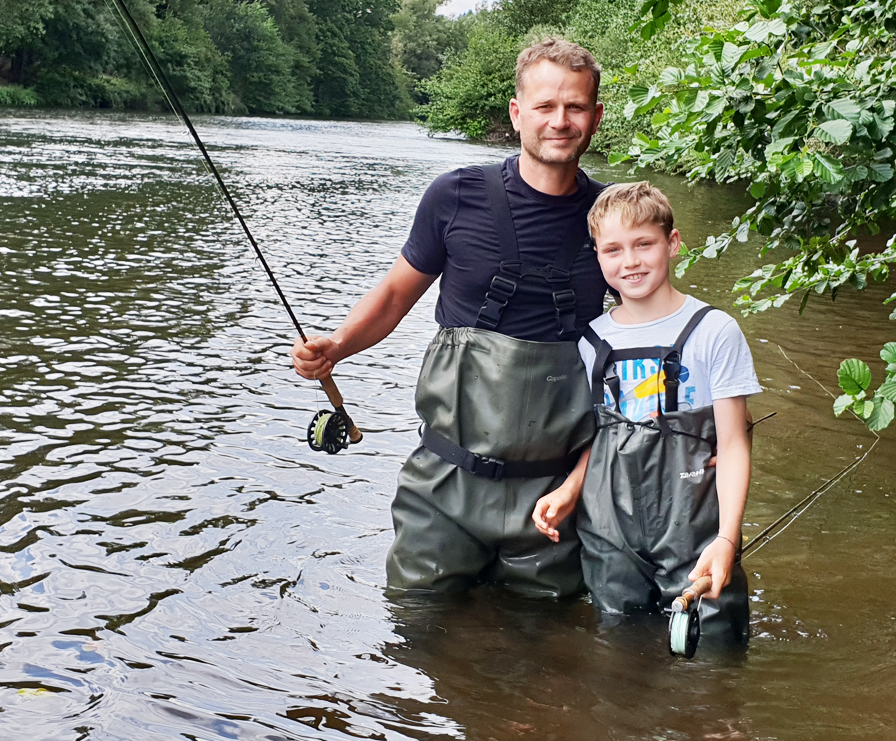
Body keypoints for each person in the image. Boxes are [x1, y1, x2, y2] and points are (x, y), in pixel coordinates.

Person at [292, 37, 608, 595]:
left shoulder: (614, 222)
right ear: (516, 114)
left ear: (596, 117)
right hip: (444, 484)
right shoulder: (454, 196)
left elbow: (650, 342)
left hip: (557, 497)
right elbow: (393, 297)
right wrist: (335, 347)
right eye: (545, 106)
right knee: (416, 629)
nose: (560, 121)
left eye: (575, 107)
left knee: (543, 653)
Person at [532, 181, 759, 644]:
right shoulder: (590, 341)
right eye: (613, 249)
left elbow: (734, 443)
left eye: (643, 245)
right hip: (609, 527)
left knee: (712, 653)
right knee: (617, 654)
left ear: (672, 245)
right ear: (597, 256)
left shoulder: (715, 331)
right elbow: (600, 433)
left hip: (694, 526)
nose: (630, 261)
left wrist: (727, 541)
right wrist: (571, 488)